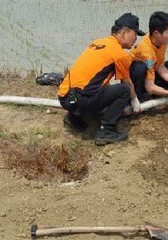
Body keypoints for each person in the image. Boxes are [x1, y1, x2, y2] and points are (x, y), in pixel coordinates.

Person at [58, 13, 145, 146]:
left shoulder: (97, 43)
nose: (135, 39)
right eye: (135, 34)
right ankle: (106, 131)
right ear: (123, 33)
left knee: (93, 86)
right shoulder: (119, 54)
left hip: (65, 97)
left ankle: (74, 117)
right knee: (124, 91)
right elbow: (127, 84)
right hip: (80, 101)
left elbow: (98, 78)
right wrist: (135, 102)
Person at [130, 11, 168, 102]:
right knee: (140, 68)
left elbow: (160, 66)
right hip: (139, 82)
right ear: (156, 33)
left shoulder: (162, 41)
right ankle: (141, 97)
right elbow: (150, 87)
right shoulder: (146, 52)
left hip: (151, 75)